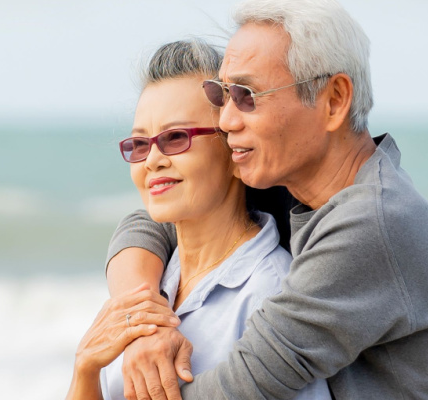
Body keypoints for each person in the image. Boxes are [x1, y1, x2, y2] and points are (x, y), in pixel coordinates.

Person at [105, 0, 428, 399]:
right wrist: (141, 324)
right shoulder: (294, 180)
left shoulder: (370, 223)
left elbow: (243, 385)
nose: (225, 121)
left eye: (247, 95)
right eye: (222, 95)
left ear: (333, 100)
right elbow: (148, 222)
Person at [68, 39, 328, 400]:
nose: (152, 160)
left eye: (176, 138)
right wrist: (85, 369)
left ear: (235, 151)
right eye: (140, 144)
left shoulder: (270, 296)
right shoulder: (150, 281)